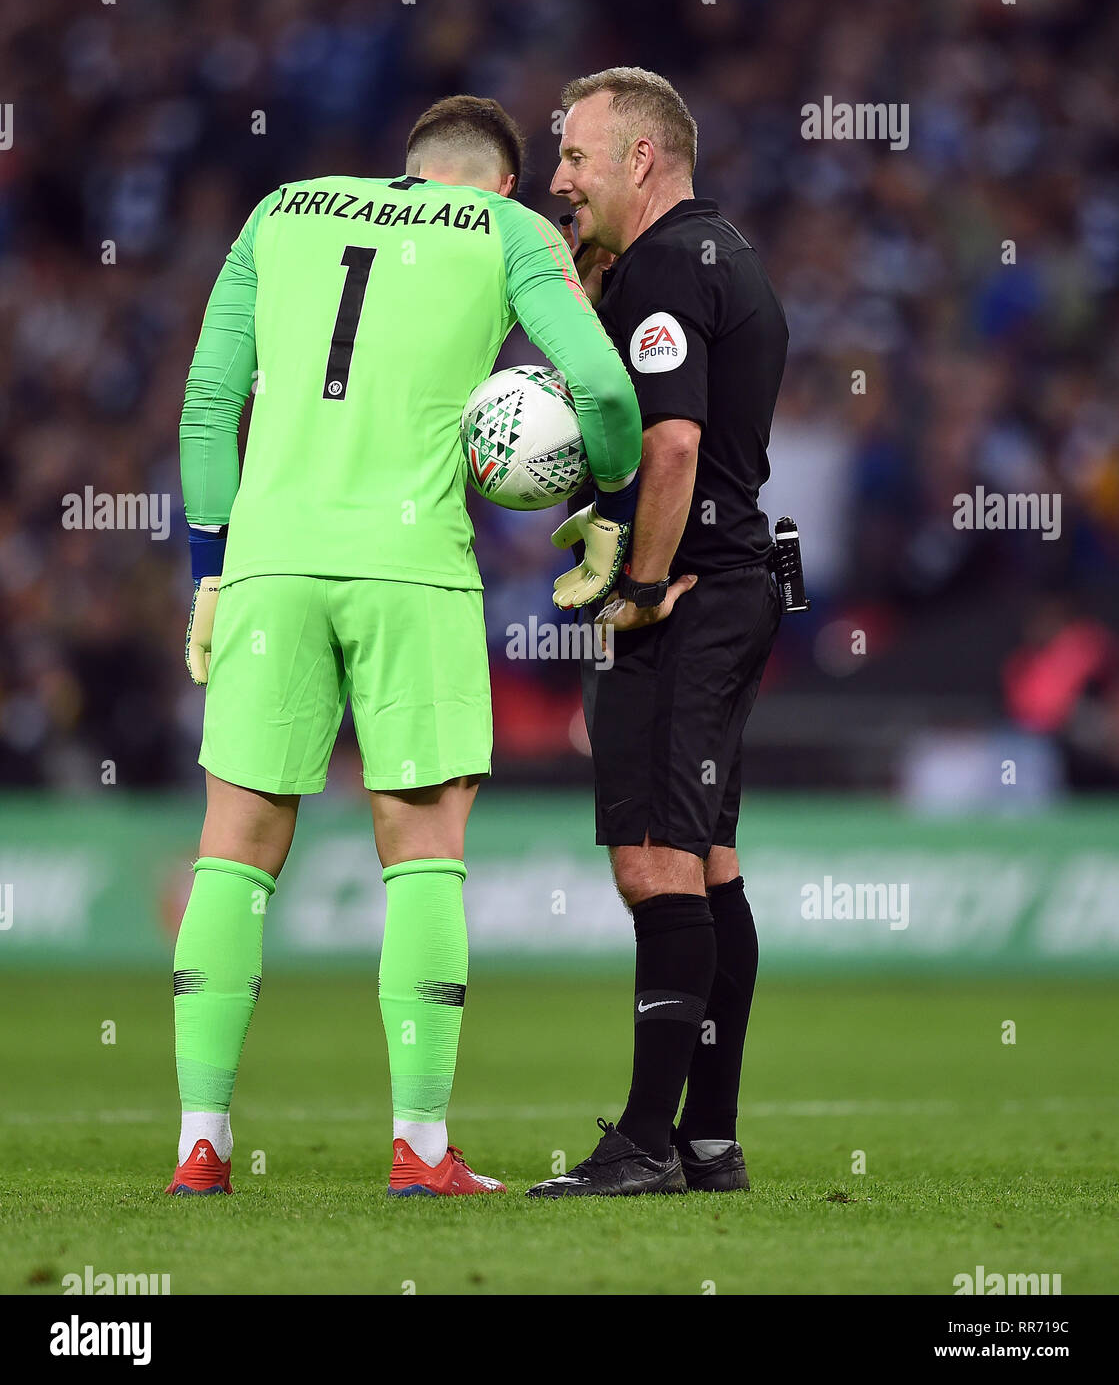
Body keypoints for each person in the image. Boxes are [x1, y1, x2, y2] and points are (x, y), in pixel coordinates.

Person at [168, 95, 641, 1198]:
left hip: (272, 564)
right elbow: (605, 386)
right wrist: (606, 502)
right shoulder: (511, 234)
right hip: (412, 568)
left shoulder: (279, 209)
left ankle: (202, 1140)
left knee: (234, 848)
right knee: (422, 851)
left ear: (411, 161)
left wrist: (209, 569)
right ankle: (421, 1147)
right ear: (503, 182)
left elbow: (206, 402)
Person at [528, 68, 788, 1197]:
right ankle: (708, 1141)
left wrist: (637, 586)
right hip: (740, 584)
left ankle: (642, 1143)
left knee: (655, 862)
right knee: (711, 863)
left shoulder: (671, 264)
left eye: (578, 157)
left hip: (687, 597)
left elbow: (671, 447)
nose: (560, 178)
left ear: (642, 157)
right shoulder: (721, 250)